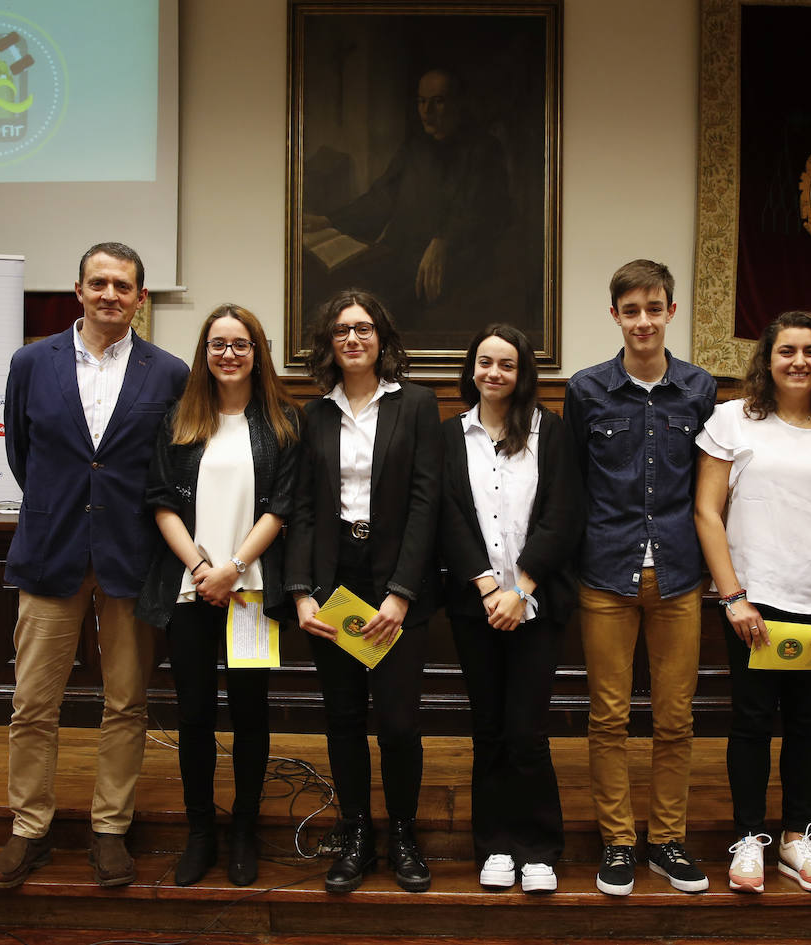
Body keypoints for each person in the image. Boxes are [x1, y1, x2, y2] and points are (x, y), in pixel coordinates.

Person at [0, 242, 189, 890]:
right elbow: (24, 452)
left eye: (122, 286)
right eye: (98, 282)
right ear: (78, 289)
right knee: (33, 702)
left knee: (126, 702)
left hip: (132, 556)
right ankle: (29, 829)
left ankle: (109, 827)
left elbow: (172, 464)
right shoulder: (29, 362)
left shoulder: (169, 372)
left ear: (139, 298)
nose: (109, 295)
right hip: (51, 549)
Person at [694, 311, 811, 894]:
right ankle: (749, 839)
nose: (799, 361)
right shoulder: (732, 421)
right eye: (786, 351)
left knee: (807, 725)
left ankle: (797, 840)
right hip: (752, 603)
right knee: (748, 722)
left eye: (810, 351)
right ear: (766, 360)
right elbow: (706, 511)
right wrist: (733, 597)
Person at [563, 259, 717, 897]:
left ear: (671, 313)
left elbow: (713, 489)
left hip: (679, 575)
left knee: (676, 718)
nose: (644, 321)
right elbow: (571, 484)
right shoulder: (587, 390)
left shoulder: (699, 389)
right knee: (608, 717)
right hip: (605, 573)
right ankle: (618, 842)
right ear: (616, 316)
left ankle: (668, 840)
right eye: (632, 311)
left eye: (655, 309)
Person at [135, 305, 301, 888]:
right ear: (204, 353)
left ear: (258, 352)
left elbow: (282, 506)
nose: (228, 354)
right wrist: (202, 567)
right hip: (190, 591)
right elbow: (160, 500)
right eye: (216, 345)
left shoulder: (283, 422)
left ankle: (244, 831)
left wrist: (233, 567)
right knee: (194, 714)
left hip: (252, 593)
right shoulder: (180, 418)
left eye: (240, 344)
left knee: (251, 716)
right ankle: (200, 830)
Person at [284, 287, 442, 894]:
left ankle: (403, 831)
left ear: (382, 340)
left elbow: (427, 502)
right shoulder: (312, 414)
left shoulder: (417, 405)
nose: (353, 338)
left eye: (364, 329)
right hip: (334, 582)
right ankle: (356, 831)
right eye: (342, 330)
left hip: (397, 580)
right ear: (328, 342)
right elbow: (301, 509)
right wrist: (301, 593)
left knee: (399, 722)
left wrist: (400, 593)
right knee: (345, 718)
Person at [440, 324, 581, 895]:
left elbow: (564, 515)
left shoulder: (553, 431)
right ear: (471, 369)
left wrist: (519, 589)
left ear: (523, 374)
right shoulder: (450, 435)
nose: (494, 373)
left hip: (537, 604)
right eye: (484, 363)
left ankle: (538, 846)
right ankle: (494, 844)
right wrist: (485, 587)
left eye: (506, 365)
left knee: (527, 729)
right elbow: (449, 514)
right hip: (476, 607)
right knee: (489, 728)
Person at [302, 68, 510, 338]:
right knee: (339, 280)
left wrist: (443, 240)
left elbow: (482, 212)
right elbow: (382, 197)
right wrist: (330, 220)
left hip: (458, 258)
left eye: (438, 101)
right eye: (421, 101)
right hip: (402, 251)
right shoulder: (415, 148)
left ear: (458, 102)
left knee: (373, 299)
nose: (427, 110)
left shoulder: (484, 149)